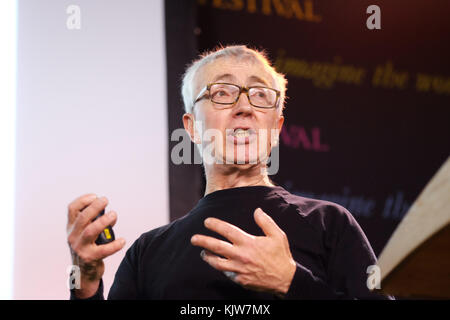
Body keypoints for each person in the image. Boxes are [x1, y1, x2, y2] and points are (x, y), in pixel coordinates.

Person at [66, 45, 393, 300]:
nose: (245, 106)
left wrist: (291, 282)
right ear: (192, 127)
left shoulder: (329, 224)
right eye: (222, 93)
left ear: (276, 128)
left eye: (260, 95)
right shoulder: (147, 253)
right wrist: (85, 282)